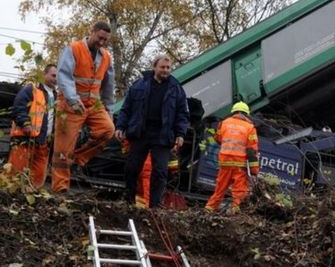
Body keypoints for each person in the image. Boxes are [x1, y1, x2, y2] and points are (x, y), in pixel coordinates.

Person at [115, 55, 189, 208]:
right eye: (162, 67)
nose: (165, 70)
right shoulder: (139, 85)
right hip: (140, 133)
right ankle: (129, 201)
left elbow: (182, 113)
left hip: (163, 135)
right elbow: (126, 108)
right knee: (132, 168)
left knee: (161, 171)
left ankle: (155, 206)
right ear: (154, 67)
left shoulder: (176, 88)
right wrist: (120, 126)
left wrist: (181, 134)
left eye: (168, 68)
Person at [52, 22, 116, 193]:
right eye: (99, 37)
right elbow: (63, 75)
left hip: (93, 104)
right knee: (63, 150)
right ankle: (60, 189)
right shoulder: (73, 48)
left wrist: (109, 110)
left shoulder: (107, 57)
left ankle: (79, 158)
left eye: (105, 39)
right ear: (92, 32)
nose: (101, 42)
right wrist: (72, 99)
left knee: (107, 130)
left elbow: (109, 86)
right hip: (69, 104)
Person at [4, 64, 58, 188]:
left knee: (38, 177)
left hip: (43, 142)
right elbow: (18, 107)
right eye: (53, 75)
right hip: (24, 139)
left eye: (58, 76)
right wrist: (26, 124)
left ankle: (32, 198)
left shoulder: (57, 97)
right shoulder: (31, 89)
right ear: (45, 75)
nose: (56, 79)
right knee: (14, 173)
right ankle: (8, 198)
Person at [205, 101, 259, 212]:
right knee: (239, 192)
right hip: (240, 165)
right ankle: (235, 215)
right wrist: (254, 170)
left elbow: (218, 139)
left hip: (224, 163)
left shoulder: (224, 123)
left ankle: (207, 210)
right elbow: (251, 151)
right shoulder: (250, 127)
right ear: (246, 114)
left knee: (219, 190)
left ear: (233, 112)